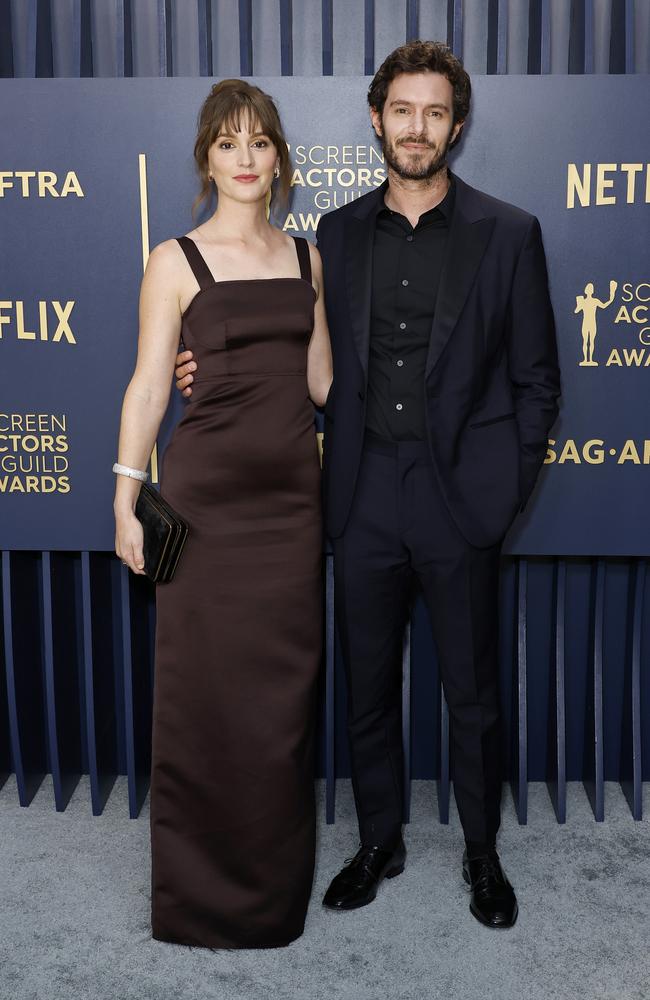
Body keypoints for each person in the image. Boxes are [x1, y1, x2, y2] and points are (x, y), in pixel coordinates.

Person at [175, 42, 561, 931]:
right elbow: (288, 352)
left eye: (434, 112)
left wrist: (503, 493)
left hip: (461, 499)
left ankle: (480, 851)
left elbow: (538, 380)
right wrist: (212, 367)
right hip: (357, 493)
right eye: (401, 110)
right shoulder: (334, 238)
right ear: (376, 119)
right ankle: (379, 840)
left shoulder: (509, 233)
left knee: (472, 690)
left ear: (455, 126)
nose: (416, 127)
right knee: (367, 685)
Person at [114, 79, 332, 949]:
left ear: (280, 158)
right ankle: (199, 900)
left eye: (261, 143)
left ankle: (271, 898)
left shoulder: (308, 259)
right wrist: (124, 501)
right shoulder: (174, 260)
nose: (246, 160)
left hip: (290, 510)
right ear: (207, 157)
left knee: (279, 709)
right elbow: (146, 385)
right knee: (202, 702)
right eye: (229, 143)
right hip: (206, 507)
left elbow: (322, 383)